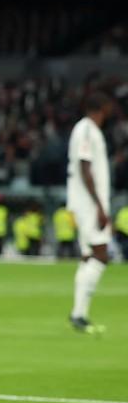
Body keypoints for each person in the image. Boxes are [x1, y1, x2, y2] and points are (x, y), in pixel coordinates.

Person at [67, 92, 116, 333]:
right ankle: (78, 314)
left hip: (86, 203)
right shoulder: (87, 129)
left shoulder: (87, 130)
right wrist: (99, 206)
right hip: (87, 204)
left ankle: (79, 314)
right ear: (100, 108)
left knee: (88, 257)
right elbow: (85, 167)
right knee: (101, 255)